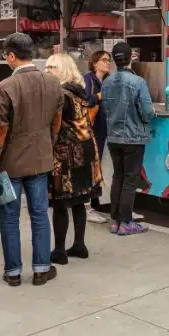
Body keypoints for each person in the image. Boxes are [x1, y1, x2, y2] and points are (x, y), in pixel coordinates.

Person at [0, 33, 63, 287]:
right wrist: (47, 145)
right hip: (41, 158)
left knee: (9, 217)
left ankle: (13, 272)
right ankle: (41, 269)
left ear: (11, 55)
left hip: (10, 163)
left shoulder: (5, 87)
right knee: (40, 214)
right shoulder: (53, 83)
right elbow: (56, 122)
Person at [45, 54, 102, 264]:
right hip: (86, 151)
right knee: (80, 200)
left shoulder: (60, 94)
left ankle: (59, 251)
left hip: (66, 154)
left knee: (60, 203)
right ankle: (80, 245)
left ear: (62, 69)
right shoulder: (79, 92)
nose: (47, 70)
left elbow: (55, 125)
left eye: (52, 66)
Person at [101, 42, 155, 236]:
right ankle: (126, 222)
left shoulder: (106, 82)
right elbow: (147, 111)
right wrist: (148, 118)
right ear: (131, 57)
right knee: (130, 180)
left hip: (113, 137)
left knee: (118, 177)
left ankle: (115, 220)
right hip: (133, 138)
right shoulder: (138, 82)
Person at [83, 49, 110, 224]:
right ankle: (86, 208)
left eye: (109, 60)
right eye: (104, 60)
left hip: (102, 130)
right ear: (95, 63)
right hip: (91, 130)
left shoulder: (107, 81)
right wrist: (98, 96)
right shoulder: (88, 79)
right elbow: (84, 101)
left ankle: (92, 203)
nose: (107, 63)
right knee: (90, 167)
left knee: (96, 166)